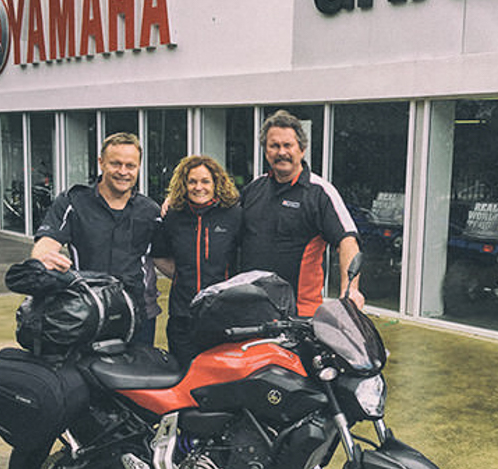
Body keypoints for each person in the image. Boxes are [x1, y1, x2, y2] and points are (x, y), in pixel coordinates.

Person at [31, 132, 162, 344]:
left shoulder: (151, 211)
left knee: (140, 366)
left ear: (139, 167)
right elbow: (47, 242)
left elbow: (163, 258)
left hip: (138, 313)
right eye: (115, 164)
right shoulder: (73, 202)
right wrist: (43, 258)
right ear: (101, 163)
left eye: (130, 166)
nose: (123, 172)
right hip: (86, 310)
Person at [240, 109, 364, 316]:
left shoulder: (320, 192)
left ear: (302, 149)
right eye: (274, 146)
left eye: (288, 145)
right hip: (251, 308)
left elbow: (347, 241)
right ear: (266, 151)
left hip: (298, 314)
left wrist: (350, 289)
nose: (281, 152)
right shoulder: (253, 189)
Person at [152, 155, 243, 366]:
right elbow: (159, 255)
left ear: (216, 183)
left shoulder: (234, 215)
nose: (198, 187)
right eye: (192, 181)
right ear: (184, 184)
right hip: (182, 316)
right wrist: (182, 275)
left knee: (218, 378)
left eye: (205, 181)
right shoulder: (173, 216)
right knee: (184, 376)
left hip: (222, 317)